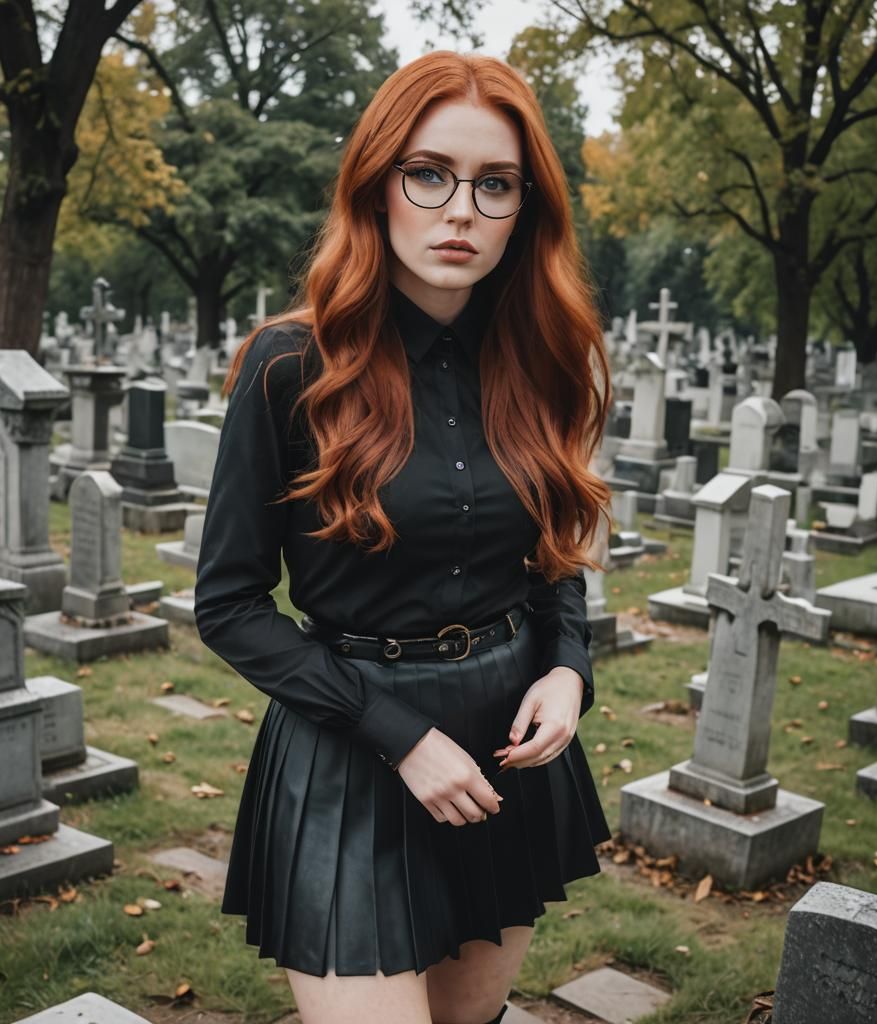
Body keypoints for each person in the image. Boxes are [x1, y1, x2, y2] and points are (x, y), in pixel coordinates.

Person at [194, 49, 613, 1024]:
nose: (460, 209)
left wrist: (568, 669)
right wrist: (403, 738)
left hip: (504, 749)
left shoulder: (540, 363)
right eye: (428, 174)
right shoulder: (290, 365)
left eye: (495, 184)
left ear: (526, 210)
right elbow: (229, 605)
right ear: (376, 186)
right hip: (351, 749)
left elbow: (552, 555)